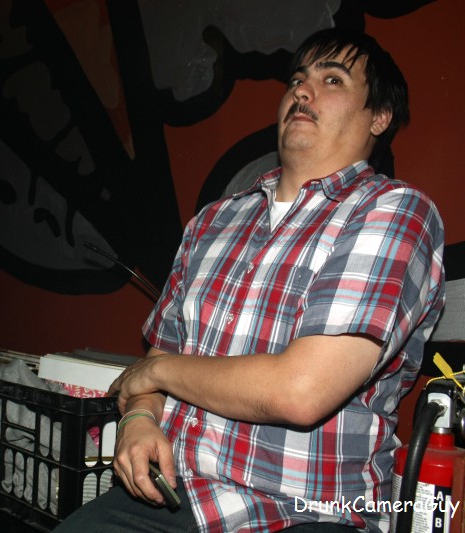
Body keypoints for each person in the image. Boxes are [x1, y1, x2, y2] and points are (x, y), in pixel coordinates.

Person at [55, 28, 445, 533]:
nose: (302, 91)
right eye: (297, 80)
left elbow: (300, 392)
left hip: (309, 511)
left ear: (379, 117)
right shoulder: (212, 221)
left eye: (332, 80)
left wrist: (155, 375)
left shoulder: (394, 212)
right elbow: (159, 356)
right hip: (178, 495)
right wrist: (139, 419)